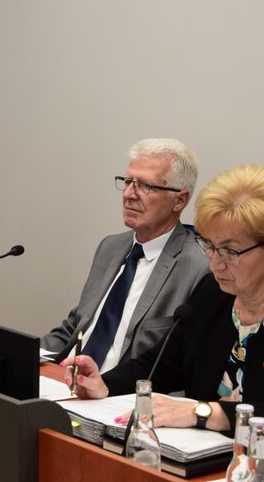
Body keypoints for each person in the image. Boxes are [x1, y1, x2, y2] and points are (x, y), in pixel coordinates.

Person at [65, 165, 264, 460]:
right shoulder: (214, 294)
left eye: (230, 251)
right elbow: (160, 365)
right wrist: (106, 384)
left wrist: (203, 412)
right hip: (212, 458)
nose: (215, 263)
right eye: (209, 246)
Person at [42, 138, 210, 373]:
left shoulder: (199, 268)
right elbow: (74, 328)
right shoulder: (110, 247)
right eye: (128, 182)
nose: (129, 194)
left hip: (118, 389)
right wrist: (25, 356)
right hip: (64, 378)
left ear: (179, 200)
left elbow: (181, 368)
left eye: (145, 186)